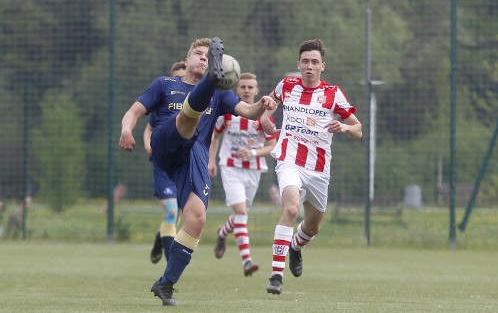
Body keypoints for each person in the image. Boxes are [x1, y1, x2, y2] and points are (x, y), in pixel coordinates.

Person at [119, 37, 276, 306]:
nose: (203, 59)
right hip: (166, 142)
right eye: (200, 55)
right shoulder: (164, 84)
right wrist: (125, 130)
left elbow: (250, 112)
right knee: (186, 121)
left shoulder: (222, 94)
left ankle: (166, 284)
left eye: (208, 57)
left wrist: (264, 103)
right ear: (188, 59)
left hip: (195, 156)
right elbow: (133, 112)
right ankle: (204, 88)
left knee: (197, 220)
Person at [260, 39, 362, 295]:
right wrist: (265, 119)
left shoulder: (333, 94)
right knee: (291, 208)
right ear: (298, 64)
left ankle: (296, 246)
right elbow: (267, 108)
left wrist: (345, 127)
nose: (309, 66)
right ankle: (275, 276)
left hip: (318, 168)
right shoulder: (287, 86)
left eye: (314, 62)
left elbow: (358, 130)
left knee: (313, 226)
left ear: (322, 66)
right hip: (288, 160)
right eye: (305, 61)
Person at [208, 72, 277, 277]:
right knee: (241, 213)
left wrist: (253, 152)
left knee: (240, 214)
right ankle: (247, 261)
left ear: (256, 90)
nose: (246, 90)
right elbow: (214, 136)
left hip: (253, 170)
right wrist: (212, 160)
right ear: (238, 90)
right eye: (243, 87)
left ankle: (222, 233)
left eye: (250, 87)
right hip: (230, 168)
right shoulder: (228, 114)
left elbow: (272, 146)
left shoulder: (264, 118)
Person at [144, 60, 187, 265]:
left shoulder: (195, 103)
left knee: (176, 217)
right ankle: (171, 267)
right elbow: (149, 128)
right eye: (177, 77)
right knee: (171, 211)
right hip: (163, 166)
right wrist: (148, 145)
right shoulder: (164, 102)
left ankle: (160, 236)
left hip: (184, 165)